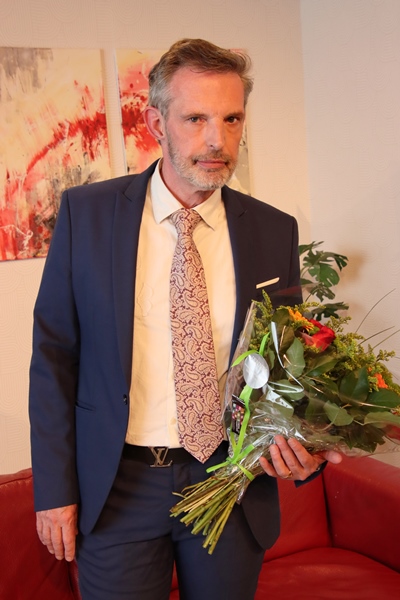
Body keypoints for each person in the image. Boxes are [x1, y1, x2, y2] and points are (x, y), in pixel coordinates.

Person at [29, 38, 342, 600]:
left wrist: (304, 444)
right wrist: (54, 490)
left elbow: (284, 363)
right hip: (118, 486)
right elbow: (54, 358)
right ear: (157, 123)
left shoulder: (273, 230)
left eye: (231, 118)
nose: (217, 139)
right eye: (196, 118)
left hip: (230, 481)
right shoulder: (88, 214)